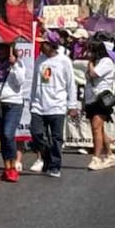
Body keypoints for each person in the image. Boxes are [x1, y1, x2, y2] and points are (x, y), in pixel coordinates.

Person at [29, 32, 79, 178]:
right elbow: (34, 82)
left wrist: (72, 105)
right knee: (36, 133)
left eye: (43, 43)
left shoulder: (64, 61)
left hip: (57, 105)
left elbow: (71, 84)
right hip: (39, 105)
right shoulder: (40, 60)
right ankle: (47, 158)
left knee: (56, 137)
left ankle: (55, 166)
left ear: (51, 45)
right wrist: (32, 100)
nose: (40, 46)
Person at [0, 36, 27, 182]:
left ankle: (13, 166)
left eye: (3, 48)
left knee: (9, 134)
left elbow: (20, 82)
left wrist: (14, 66)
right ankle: (6, 167)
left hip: (13, 103)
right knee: (2, 136)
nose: (0, 51)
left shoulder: (19, 64)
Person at [85, 38, 115, 171]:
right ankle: (110, 155)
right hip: (91, 98)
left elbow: (94, 74)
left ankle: (96, 157)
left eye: (90, 50)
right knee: (100, 128)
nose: (88, 53)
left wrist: (90, 63)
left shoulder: (106, 61)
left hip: (102, 98)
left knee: (96, 127)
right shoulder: (95, 62)